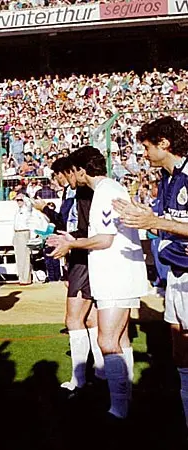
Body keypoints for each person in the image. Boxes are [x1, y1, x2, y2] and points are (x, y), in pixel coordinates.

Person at [49, 146, 149, 420]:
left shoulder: (104, 192)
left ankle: (118, 408)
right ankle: (124, 400)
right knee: (120, 338)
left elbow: (104, 239)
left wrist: (70, 243)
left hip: (115, 274)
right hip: (117, 274)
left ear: (81, 170)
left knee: (107, 340)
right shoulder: (109, 189)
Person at [112, 117, 188, 432]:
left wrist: (156, 222)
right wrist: (147, 217)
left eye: (146, 146)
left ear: (164, 143)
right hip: (177, 273)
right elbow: (168, 221)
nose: (143, 153)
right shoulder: (167, 178)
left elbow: (172, 224)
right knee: (179, 346)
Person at [36, 156, 105, 394]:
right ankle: (100, 371)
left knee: (74, 318)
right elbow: (67, 224)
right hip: (79, 255)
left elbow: (87, 228)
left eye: (59, 175)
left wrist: (68, 239)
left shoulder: (84, 193)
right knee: (90, 317)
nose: (58, 180)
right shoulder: (71, 194)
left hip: (82, 256)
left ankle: (79, 379)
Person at [13, 192, 33, 285]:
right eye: (18, 200)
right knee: (19, 256)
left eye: (20, 200)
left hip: (24, 232)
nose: (19, 202)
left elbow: (29, 202)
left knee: (25, 256)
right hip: (17, 233)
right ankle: (21, 277)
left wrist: (23, 197)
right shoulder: (18, 210)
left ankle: (26, 279)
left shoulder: (27, 209)